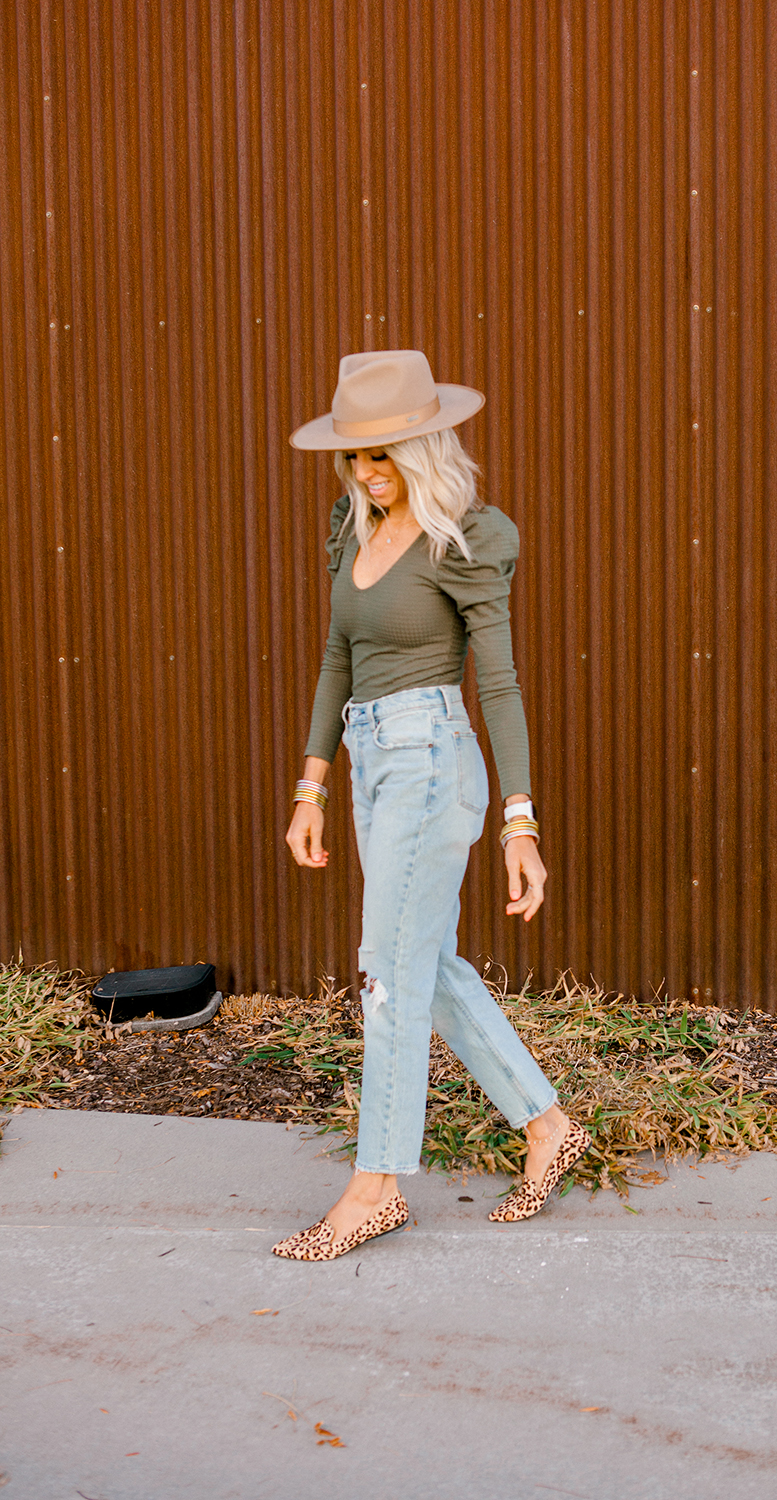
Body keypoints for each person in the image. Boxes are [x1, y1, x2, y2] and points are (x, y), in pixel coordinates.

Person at [271, 350, 590, 1262]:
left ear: (425, 447)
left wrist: (520, 822)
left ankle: (375, 1188)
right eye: (355, 455)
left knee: (388, 975)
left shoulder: (466, 538)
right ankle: (548, 1126)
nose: (368, 472)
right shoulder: (352, 526)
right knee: (425, 963)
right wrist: (311, 786)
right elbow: (338, 658)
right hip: (370, 757)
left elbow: (500, 683)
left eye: (385, 454)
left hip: (430, 758)